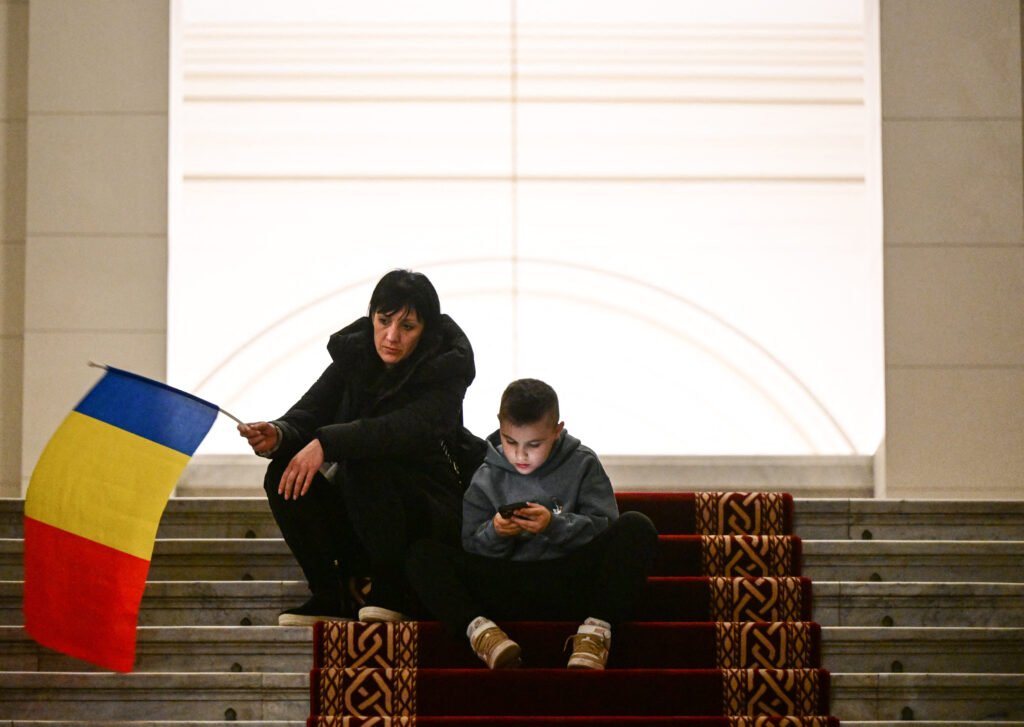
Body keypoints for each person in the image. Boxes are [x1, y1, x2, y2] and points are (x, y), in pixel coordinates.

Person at [238, 269, 477, 626]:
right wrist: (279, 434)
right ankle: (328, 593)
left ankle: (393, 589)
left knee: (366, 458)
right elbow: (311, 410)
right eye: (383, 321)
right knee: (282, 473)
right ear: (372, 318)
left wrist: (326, 442)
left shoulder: (447, 368)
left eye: (407, 327)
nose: (391, 336)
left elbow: (403, 429)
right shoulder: (356, 354)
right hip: (362, 511)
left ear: (426, 330)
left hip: (424, 518)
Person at [406, 378, 658, 670]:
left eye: (534, 444)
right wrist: (496, 533)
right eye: (510, 441)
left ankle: (595, 633)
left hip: (569, 580)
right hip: (506, 583)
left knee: (637, 526)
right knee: (421, 554)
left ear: (557, 431)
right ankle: (482, 633)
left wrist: (554, 525)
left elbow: (605, 528)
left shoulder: (583, 463)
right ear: (500, 426)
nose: (520, 454)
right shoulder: (485, 474)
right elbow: (470, 544)